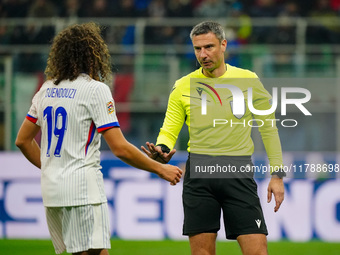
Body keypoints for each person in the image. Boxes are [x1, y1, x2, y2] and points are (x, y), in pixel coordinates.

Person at [15, 22, 182, 255]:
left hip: (52, 189)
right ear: (93, 54)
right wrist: (159, 169)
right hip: (83, 190)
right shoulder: (95, 90)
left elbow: (22, 140)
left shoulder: (46, 90)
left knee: (93, 252)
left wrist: (53, 168)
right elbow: (120, 148)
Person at [142, 21, 285, 255]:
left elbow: (269, 129)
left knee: (258, 252)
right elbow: (169, 129)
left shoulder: (248, 80)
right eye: (198, 48)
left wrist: (277, 175)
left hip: (237, 172)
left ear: (224, 45)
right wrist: (162, 148)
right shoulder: (182, 86)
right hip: (199, 175)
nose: (203, 54)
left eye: (209, 47)